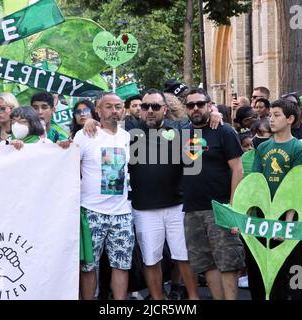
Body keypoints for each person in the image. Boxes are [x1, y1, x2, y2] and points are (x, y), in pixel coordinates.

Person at [126, 89, 199, 300]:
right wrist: (90, 123)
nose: (149, 110)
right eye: (145, 106)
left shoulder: (182, 132)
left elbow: (195, 165)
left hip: (177, 206)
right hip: (144, 208)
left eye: (155, 106)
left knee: (183, 256)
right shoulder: (127, 133)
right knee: (150, 258)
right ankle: (158, 301)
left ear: (164, 110)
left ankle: (193, 298)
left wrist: (215, 114)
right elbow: (103, 124)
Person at [182, 88, 245, 300]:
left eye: (200, 104)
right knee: (206, 263)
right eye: (190, 105)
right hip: (192, 210)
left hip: (221, 207)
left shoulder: (224, 131)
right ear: (186, 109)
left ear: (210, 105)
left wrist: (233, 206)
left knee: (228, 262)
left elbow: (238, 169)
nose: (196, 108)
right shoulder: (182, 132)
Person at [75, 92, 134, 300]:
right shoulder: (85, 135)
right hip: (91, 211)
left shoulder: (126, 136)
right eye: (108, 107)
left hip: (122, 213)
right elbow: (71, 169)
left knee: (122, 265)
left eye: (118, 107)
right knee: (88, 267)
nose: (114, 111)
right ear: (98, 111)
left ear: (123, 110)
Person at [250, 99, 302, 300]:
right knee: (270, 275)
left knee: (295, 273)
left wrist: (287, 223)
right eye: (270, 115)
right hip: (265, 221)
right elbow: (256, 186)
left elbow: (299, 187)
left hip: (290, 222)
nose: (271, 119)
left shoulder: (298, 148)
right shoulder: (263, 147)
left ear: (290, 119)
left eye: (277, 115)